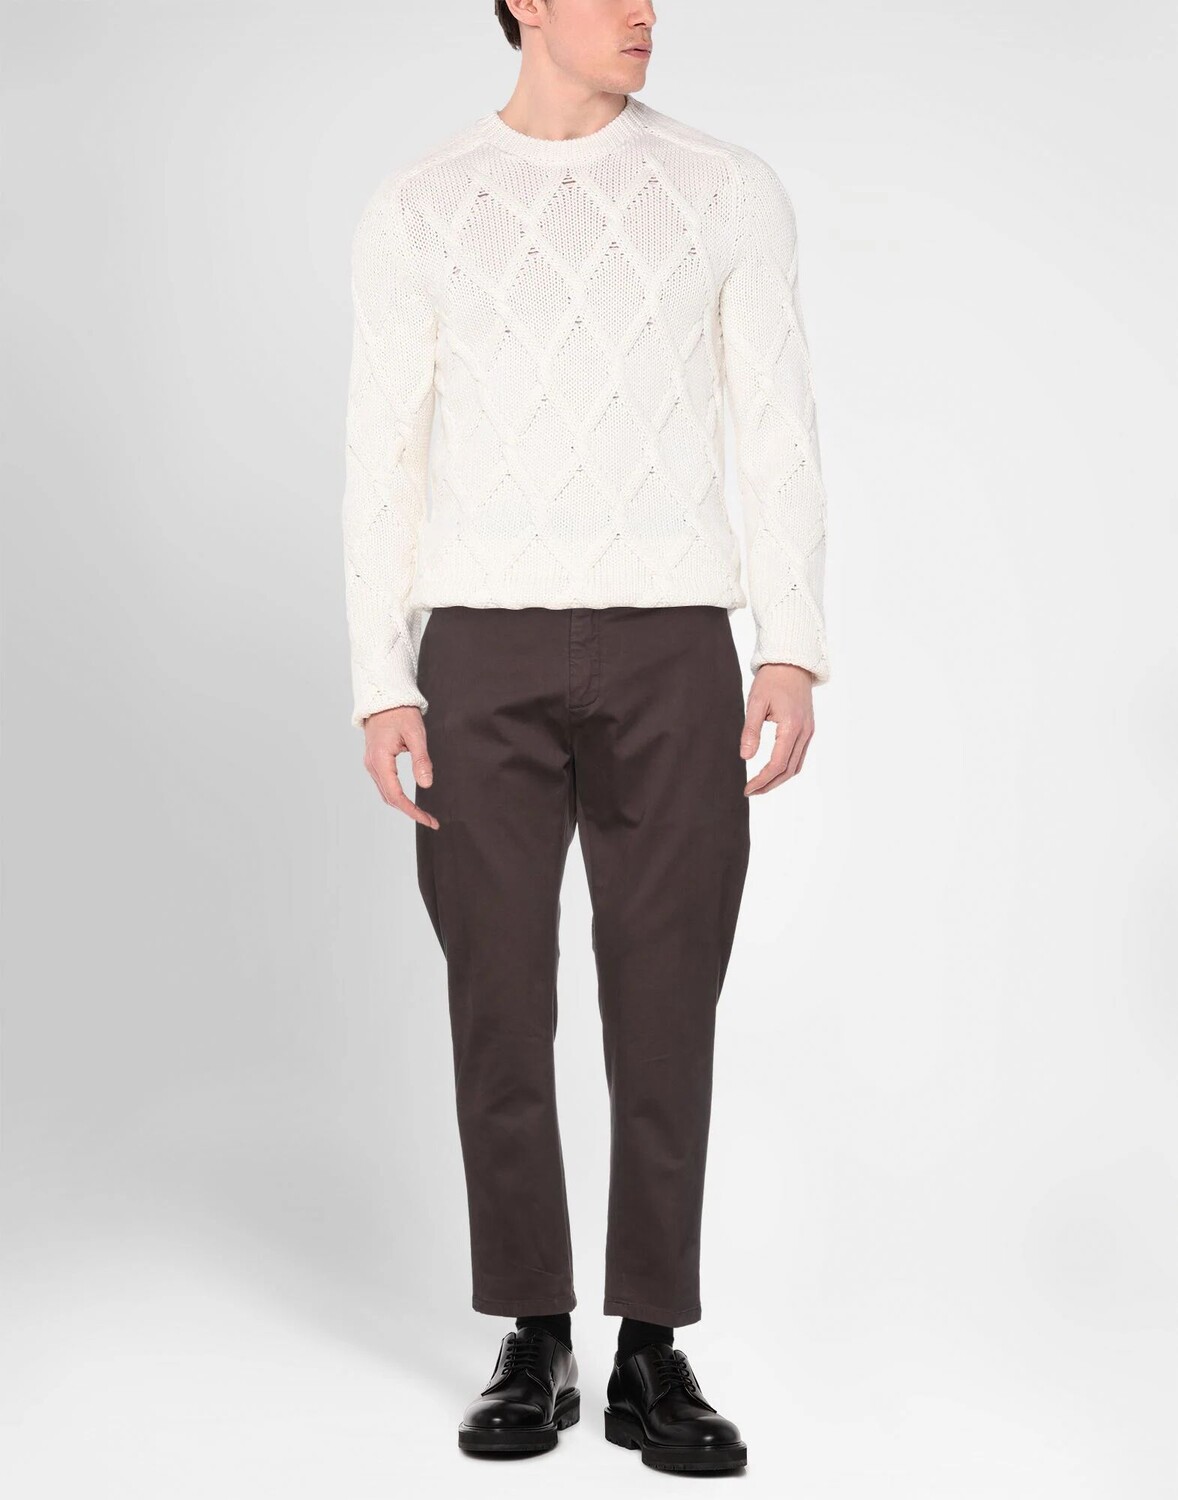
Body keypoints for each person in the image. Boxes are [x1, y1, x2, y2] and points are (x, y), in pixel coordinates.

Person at [340, 0, 830, 1473]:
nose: (643, 10)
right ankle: (534, 1333)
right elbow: (382, 447)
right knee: (497, 997)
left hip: (674, 644)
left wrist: (791, 641)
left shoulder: (726, 190)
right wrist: (380, 676)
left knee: (665, 998)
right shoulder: (421, 206)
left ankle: (652, 1350)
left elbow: (776, 424)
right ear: (523, 1)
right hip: (477, 651)